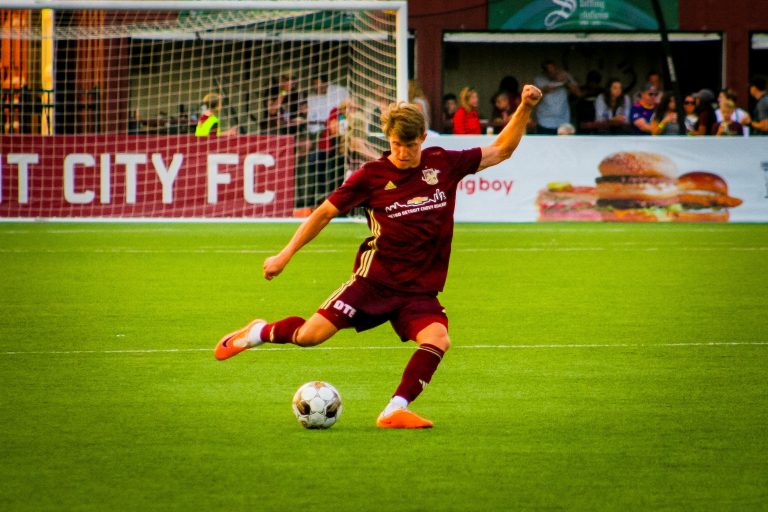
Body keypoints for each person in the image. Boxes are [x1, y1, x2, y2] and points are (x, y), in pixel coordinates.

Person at [214, 84, 544, 429]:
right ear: (388, 138)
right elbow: (323, 213)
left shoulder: (443, 163)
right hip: (374, 281)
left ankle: (394, 409)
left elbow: (502, 149)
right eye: (396, 144)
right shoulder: (370, 176)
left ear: (424, 138)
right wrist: (285, 255)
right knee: (310, 337)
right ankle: (257, 332)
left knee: (438, 339)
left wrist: (524, 106)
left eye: (411, 145)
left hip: (418, 289)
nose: (403, 152)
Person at [533, 59, 580, 134]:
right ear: (544, 72)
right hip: (545, 121)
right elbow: (533, 100)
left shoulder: (565, 76)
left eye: (554, 70)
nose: (553, 73)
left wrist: (566, 82)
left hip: (563, 121)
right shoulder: (538, 79)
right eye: (550, 72)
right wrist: (545, 90)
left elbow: (578, 93)